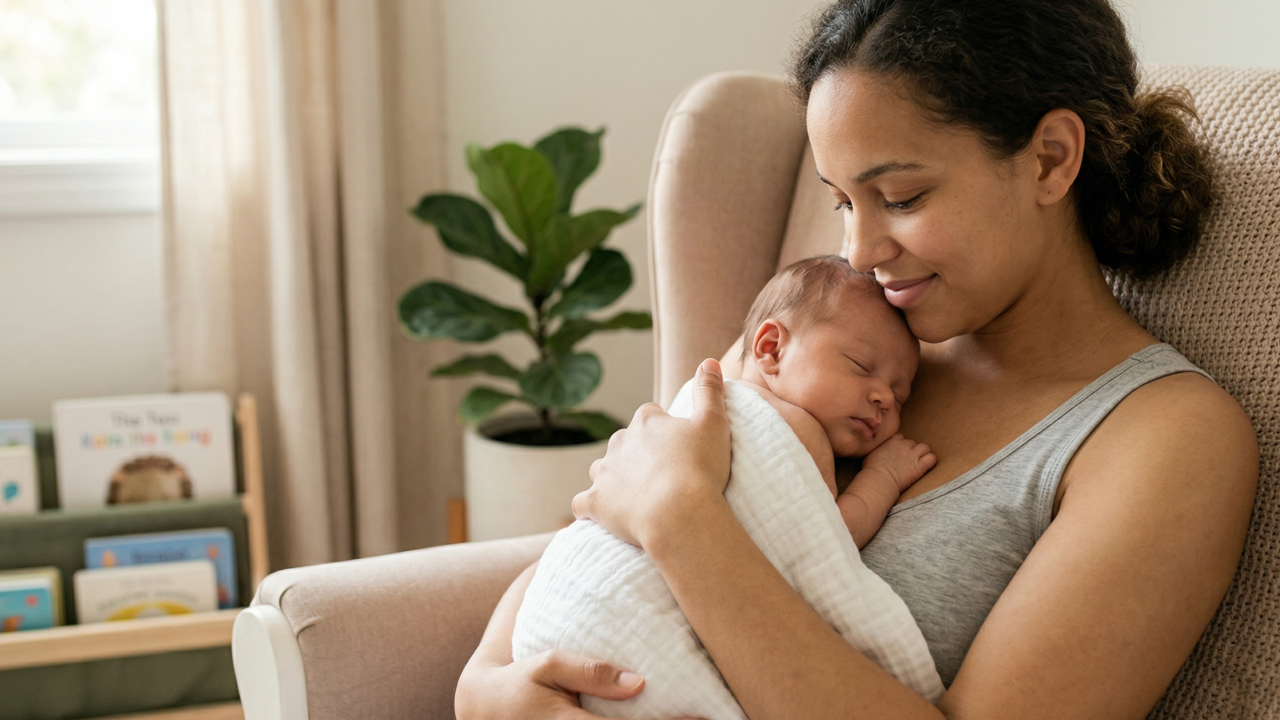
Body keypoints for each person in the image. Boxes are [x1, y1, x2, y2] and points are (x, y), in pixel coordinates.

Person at [456, 0, 1259, 718]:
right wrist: (487, 687)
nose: (860, 250)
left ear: (1050, 158)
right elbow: (611, 522)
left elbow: (663, 506)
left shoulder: (1168, 440)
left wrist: (684, 521)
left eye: (902, 198)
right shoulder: (841, 324)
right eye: (842, 200)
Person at [732, 254, 934, 547]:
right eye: (861, 365)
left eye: (900, 396)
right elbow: (826, 542)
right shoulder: (794, 430)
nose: (886, 398)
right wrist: (883, 477)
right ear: (772, 349)